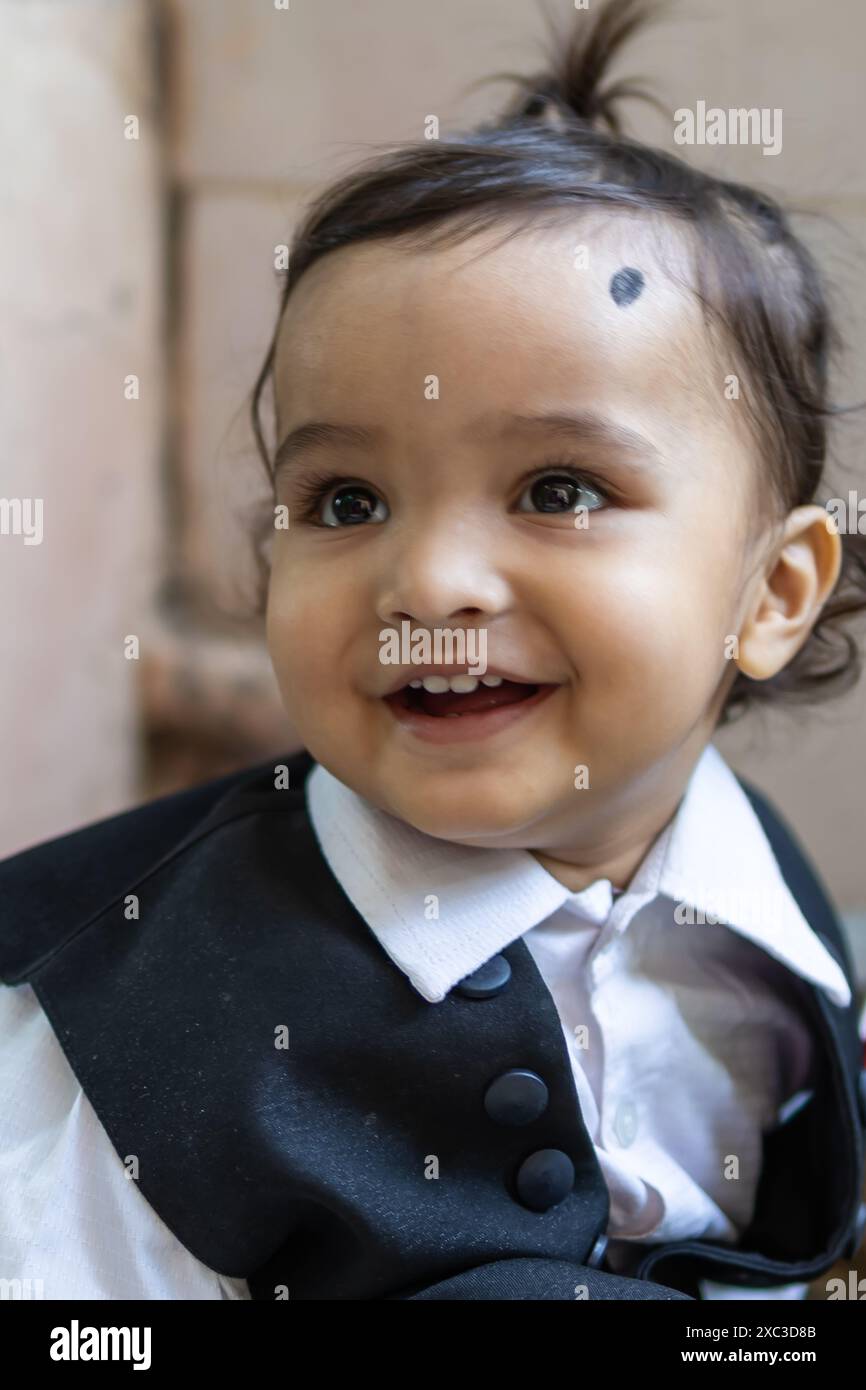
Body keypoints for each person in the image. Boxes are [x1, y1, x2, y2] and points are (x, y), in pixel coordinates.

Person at [1, 0, 865, 1301]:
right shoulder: (127, 1030)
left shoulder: (774, 930)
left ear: (770, 589)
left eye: (558, 489)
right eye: (346, 501)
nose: (430, 578)